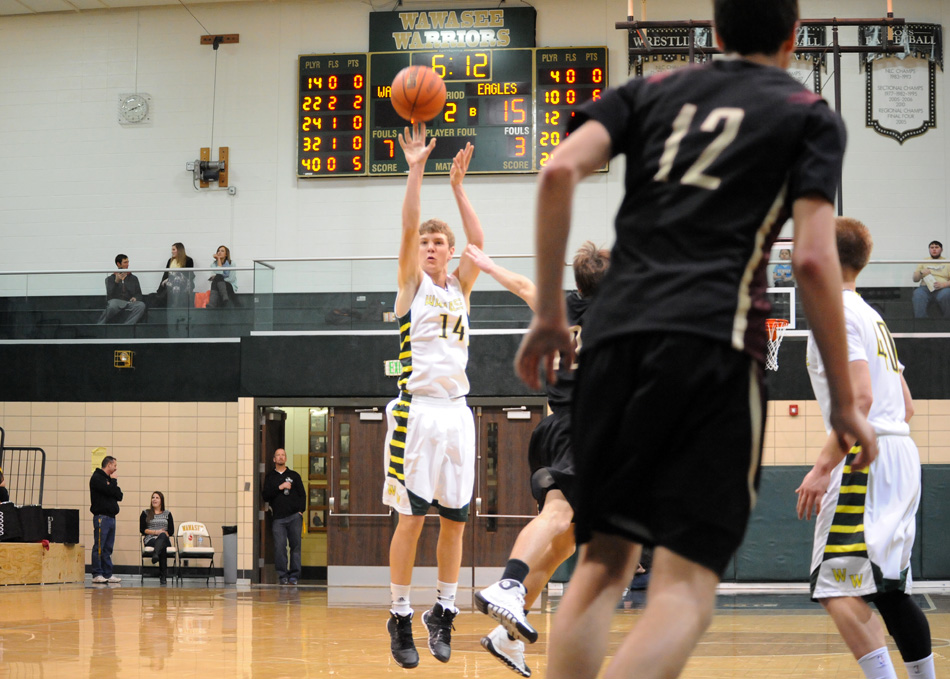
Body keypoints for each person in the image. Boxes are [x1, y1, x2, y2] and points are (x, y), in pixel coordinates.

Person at [512, 2, 879, 679]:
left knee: (600, 564)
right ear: (794, 36)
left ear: (715, 33)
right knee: (684, 587)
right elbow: (816, 261)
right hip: (713, 344)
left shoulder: (652, 90)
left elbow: (559, 171)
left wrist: (546, 315)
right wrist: (846, 407)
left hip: (614, 342)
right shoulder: (807, 114)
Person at [797, 217, 936, 679]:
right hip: (900, 451)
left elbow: (860, 399)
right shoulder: (871, 315)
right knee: (886, 589)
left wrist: (821, 468)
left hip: (867, 455)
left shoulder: (831, 313)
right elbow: (908, 404)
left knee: (835, 584)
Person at [467, 242, 609, 678]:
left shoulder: (561, 307)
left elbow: (525, 285)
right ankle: (509, 583)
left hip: (555, 427)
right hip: (579, 428)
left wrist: (490, 266)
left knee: (567, 538)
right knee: (559, 513)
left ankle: (506, 635)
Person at [383, 125, 483, 669]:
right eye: (425, 242)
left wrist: (461, 190)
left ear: (448, 254)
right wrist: (416, 169)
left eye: (437, 243)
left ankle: (442, 611)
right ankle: (400, 614)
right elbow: (405, 228)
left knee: (455, 520)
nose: (429, 248)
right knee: (412, 520)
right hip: (416, 413)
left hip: (458, 415)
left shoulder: (460, 289)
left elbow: (480, 247)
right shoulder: (412, 286)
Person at [261, 448, 305, 585]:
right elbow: (265, 495)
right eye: (278, 455)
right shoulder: (270, 477)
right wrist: (280, 487)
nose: (280, 457)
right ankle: (283, 575)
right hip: (278, 519)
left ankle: (295, 575)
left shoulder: (294, 475)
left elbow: (302, 494)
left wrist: (300, 511)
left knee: (295, 546)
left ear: (285, 458)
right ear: (274, 459)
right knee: (280, 547)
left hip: (294, 517)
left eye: (283, 455)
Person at [90, 456, 123, 584]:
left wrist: (112, 485)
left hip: (111, 518)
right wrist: (113, 484)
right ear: (108, 465)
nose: (116, 468)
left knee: (108, 548)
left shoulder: (109, 480)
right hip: (101, 517)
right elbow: (109, 491)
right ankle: (97, 573)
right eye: (114, 465)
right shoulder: (97, 478)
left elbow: (119, 495)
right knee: (99, 546)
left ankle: (107, 574)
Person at [98, 254, 146, 324]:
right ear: (118, 264)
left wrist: (135, 298)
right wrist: (116, 282)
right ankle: (100, 325)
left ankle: (127, 326)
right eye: (125, 262)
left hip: (129, 302)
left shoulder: (133, 278)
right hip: (116, 302)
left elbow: (139, 294)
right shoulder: (110, 279)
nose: (128, 264)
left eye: (128, 262)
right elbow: (110, 296)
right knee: (112, 306)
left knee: (141, 305)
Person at [140, 491, 175, 585]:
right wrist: (156, 532)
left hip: (164, 538)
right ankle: (163, 576)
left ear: (161, 501)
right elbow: (143, 530)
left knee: (162, 536)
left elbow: (171, 531)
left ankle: (155, 553)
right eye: (153, 497)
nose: (154, 499)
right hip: (150, 538)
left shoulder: (167, 513)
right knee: (162, 547)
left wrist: (161, 534)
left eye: (157, 498)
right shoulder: (145, 513)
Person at [911, 240, 950, 318]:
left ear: (941, 250)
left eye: (936, 247)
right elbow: (915, 279)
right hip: (925, 288)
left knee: (946, 295)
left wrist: (943, 285)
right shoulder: (924, 261)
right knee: (918, 294)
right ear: (929, 249)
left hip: (943, 289)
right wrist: (921, 272)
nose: (934, 249)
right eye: (932, 247)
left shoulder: (947, 262)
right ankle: (922, 323)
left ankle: (947, 321)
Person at [156, 242, 195, 308]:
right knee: (173, 285)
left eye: (174, 249)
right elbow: (165, 275)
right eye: (172, 250)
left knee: (177, 277)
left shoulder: (188, 260)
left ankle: (175, 304)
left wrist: (171, 278)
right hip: (171, 283)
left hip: (184, 283)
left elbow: (188, 274)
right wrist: (160, 289)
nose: (172, 252)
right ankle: (175, 304)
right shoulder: (170, 261)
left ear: (179, 250)